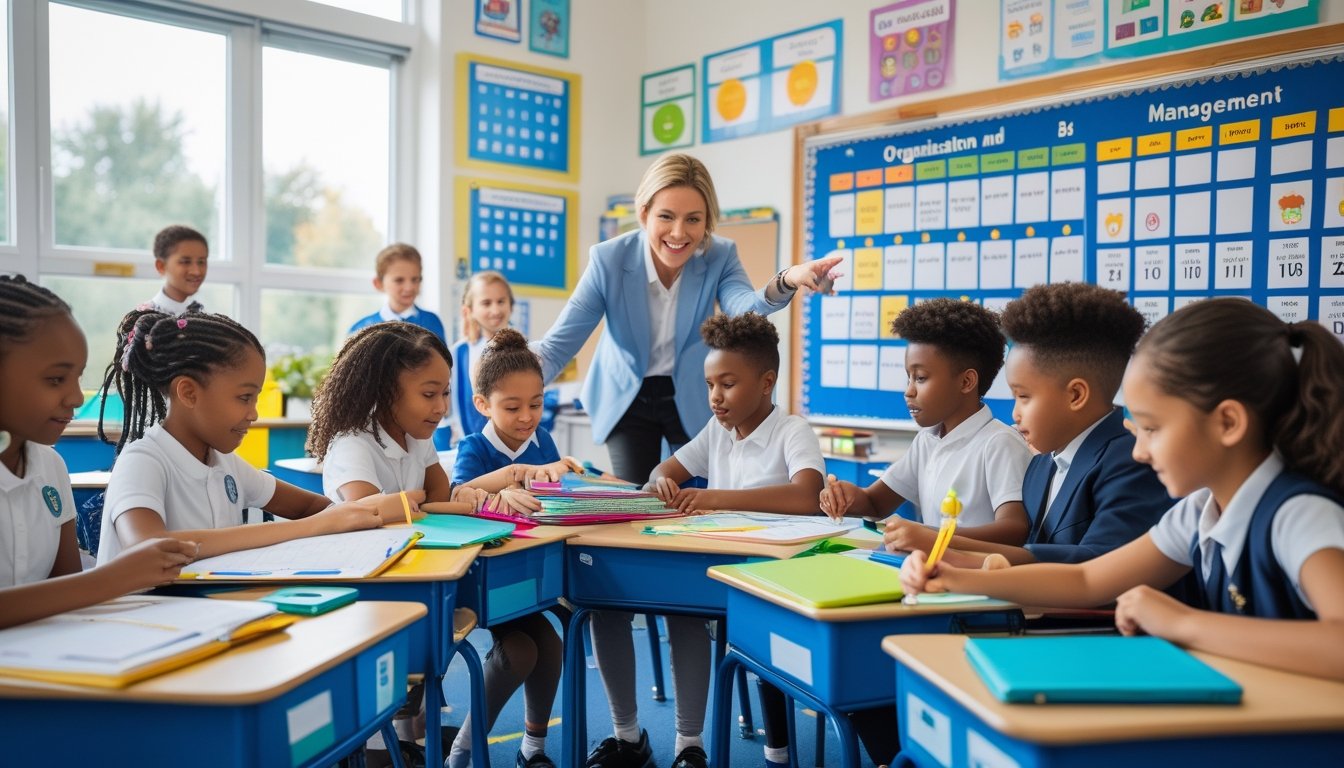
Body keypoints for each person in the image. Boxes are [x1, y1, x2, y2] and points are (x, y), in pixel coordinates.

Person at [531, 152, 838, 768]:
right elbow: (562, 341)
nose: (679, 232)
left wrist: (788, 279)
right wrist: (503, 386)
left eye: (694, 219)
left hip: (697, 397)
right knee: (627, 529)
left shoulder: (718, 255)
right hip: (627, 397)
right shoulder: (608, 260)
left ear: (708, 221)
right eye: (666, 216)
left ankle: (690, 723)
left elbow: (746, 310)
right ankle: (628, 728)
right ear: (643, 212)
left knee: (693, 527)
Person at [902, 298, 1344, 682]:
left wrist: (1185, 624)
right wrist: (958, 577)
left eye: (1151, 428)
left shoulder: (1299, 514)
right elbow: (1088, 578)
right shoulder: (1197, 513)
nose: (1139, 451)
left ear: (1228, 423)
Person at [641, 312, 825, 768]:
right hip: (720, 569)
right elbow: (665, 470)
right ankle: (689, 741)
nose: (715, 398)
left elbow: (807, 495)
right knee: (680, 613)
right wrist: (661, 479)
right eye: (709, 385)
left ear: (766, 382)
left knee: (762, 640)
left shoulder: (792, 430)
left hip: (774, 575)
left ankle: (777, 753)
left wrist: (715, 498)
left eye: (727, 384)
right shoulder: (717, 432)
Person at [95, 307, 416, 565]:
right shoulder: (143, 460)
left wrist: (364, 512)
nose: (254, 413)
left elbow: (312, 509)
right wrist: (311, 527)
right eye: (244, 398)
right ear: (189, 393)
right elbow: (150, 547)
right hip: (137, 629)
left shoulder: (224, 464)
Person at [897, 283, 1170, 567]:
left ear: (1075, 395)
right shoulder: (1041, 465)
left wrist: (942, 543)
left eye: (1024, 397)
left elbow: (1098, 567)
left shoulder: (1130, 461)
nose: (1015, 414)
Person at [0, 275, 195, 629]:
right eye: (56, 379)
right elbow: (83, 588)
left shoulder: (50, 466)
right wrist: (113, 577)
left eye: (77, 378)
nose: (75, 398)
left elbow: (68, 594)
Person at [449, 327, 570, 768]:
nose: (526, 417)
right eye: (512, 407)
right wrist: (499, 492)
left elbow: (555, 498)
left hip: (532, 576)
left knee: (553, 646)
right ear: (483, 404)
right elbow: (456, 497)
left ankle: (532, 749)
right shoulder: (474, 447)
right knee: (519, 652)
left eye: (536, 405)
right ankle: (462, 749)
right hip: (486, 582)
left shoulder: (545, 443)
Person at [822, 298, 1031, 547]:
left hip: (979, 579)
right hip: (932, 574)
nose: (908, 391)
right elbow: (876, 503)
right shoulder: (928, 440)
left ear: (966, 382)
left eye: (920, 378)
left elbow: (1014, 530)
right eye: (908, 378)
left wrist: (931, 536)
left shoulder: (999, 444)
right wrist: (845, 497)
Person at [452, 270, 515, 440]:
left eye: (501, 301)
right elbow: (456, 408)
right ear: (469, 311)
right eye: (486, 303)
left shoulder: (522, 350)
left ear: (511, 305)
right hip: (473, 443)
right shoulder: (459, 353)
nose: (495, 310)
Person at [349, 243, 448, 345]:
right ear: (378, 283)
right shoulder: (361, 329)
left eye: (415, 279)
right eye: (399, 280)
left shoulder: (432, 322)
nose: (409, 287)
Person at [147, 225, 209, 314]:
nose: (196, 271)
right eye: (185, 262)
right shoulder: (145, 320)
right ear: (161, 266)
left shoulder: (202, 315)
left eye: (201, 262)